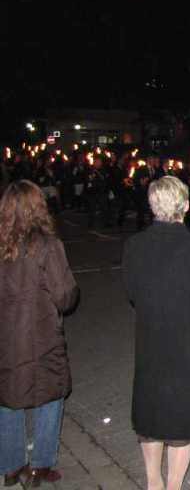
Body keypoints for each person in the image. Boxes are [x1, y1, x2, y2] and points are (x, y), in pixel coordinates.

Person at [122, 176, 190, 490]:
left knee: (153, 414)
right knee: (182, 418)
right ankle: (172, 486)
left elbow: (131, 292)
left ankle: (153, 482)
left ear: (153, 206)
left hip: (151, 342)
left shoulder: (134, 245)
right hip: (188, 347)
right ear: (184, 206)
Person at [0, 181, 78, 487]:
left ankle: (10, 465)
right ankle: (41, 464)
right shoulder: (47, 245)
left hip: (6, 338)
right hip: (41, 334)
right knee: (51, 394)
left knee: (7, 398)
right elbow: (65, 296)